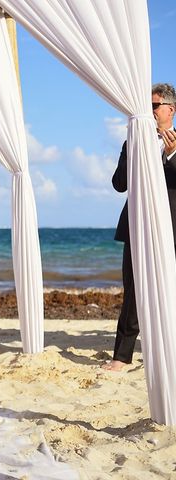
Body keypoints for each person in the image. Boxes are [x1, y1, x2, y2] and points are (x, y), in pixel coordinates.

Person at [103, 83, 176, 372]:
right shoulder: (133, 142)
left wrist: (171, 157)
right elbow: (119, 184)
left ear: (171, 109)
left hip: (172, 226)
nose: (151, 111)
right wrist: (134, 150)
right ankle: (122, 356)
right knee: (132, 289)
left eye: (155, 106)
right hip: (136, 224)